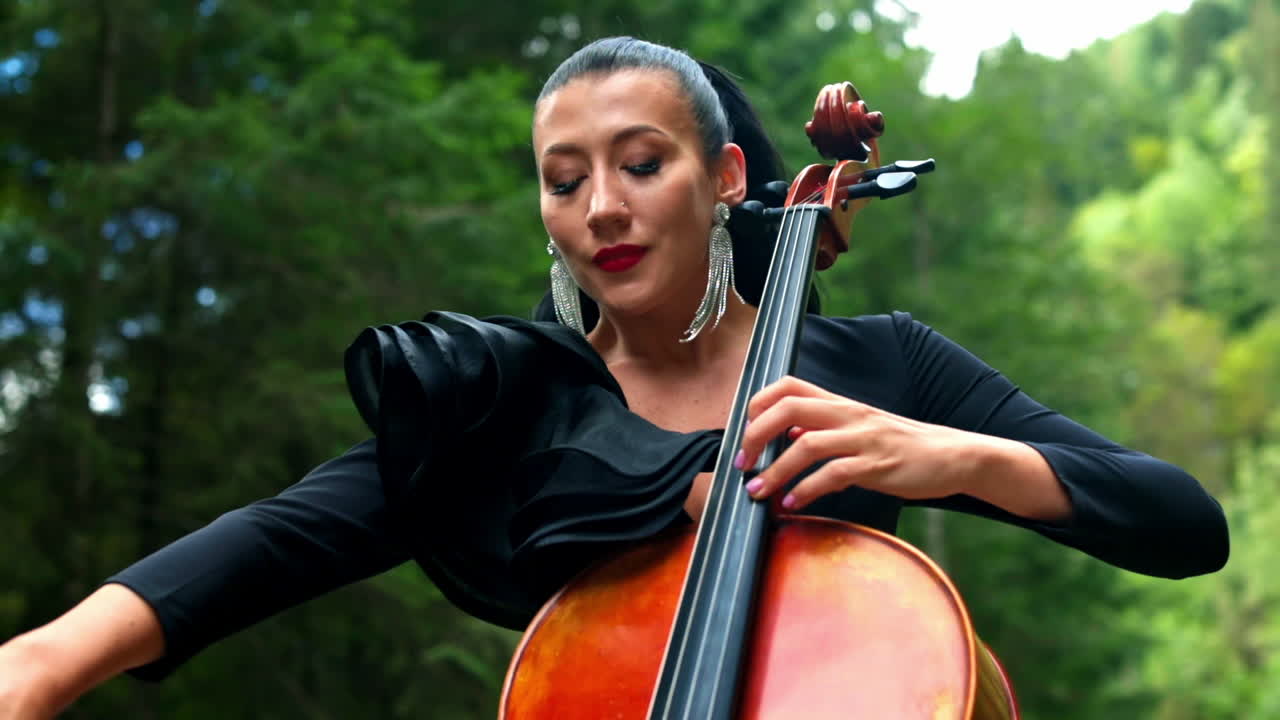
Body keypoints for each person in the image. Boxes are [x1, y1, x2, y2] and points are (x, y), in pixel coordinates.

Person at [0, 36, 1228, 718]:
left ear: (728, 178)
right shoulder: (522, 405)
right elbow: (278, 539)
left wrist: (956, 457)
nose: (600, 207)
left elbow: (1182, 524)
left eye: (640, 164)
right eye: (562, 176)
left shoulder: (876, 366)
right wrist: (44, 661)